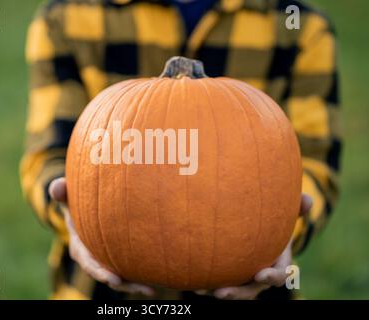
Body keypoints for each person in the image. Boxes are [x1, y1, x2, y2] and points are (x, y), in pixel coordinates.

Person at [20, 0, 341, 300]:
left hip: (254, 281)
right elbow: (49, 155)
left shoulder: (301, 28)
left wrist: (281, 236)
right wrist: (74, 217)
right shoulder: (64, 18)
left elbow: (314, 162)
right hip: (101, 290)